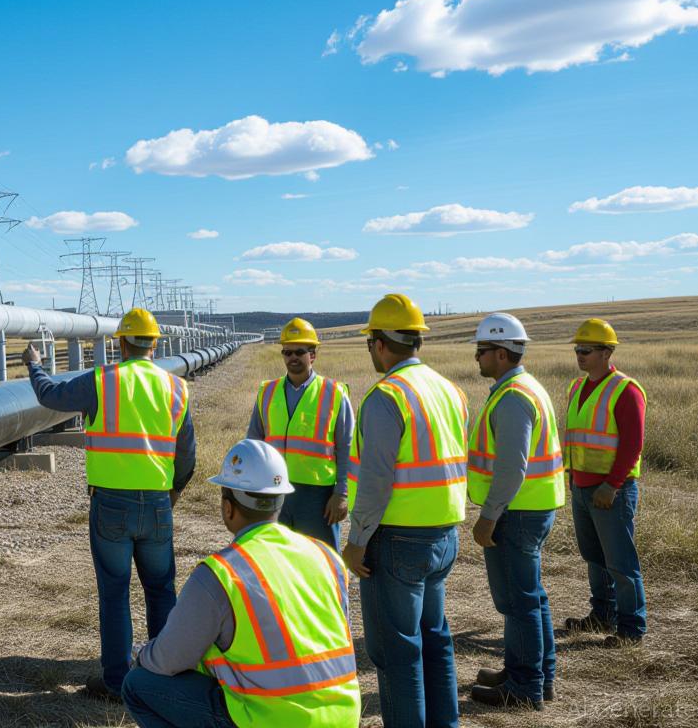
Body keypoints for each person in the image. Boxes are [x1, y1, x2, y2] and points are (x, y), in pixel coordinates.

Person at [121, 438, 361, 728]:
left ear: (227, 508)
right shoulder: (327, 557)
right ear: (281, 499)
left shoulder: (221, 573)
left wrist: (141, 655)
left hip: (274, 720)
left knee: (137, 684)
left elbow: (168, 659)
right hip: (343, 717)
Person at [23, 308, 196, 701]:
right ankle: (163, 676)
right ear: (155, 345)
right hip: (157, 503)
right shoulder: (177, 388)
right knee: (161, 590)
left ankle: (117, 682)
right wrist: (171, 493)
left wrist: (35, 365)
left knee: (115, 593)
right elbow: (187, 456)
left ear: (121, 344)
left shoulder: (101, 381)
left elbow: (50, 396)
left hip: (111, 505)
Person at [340, 293, 467, 728]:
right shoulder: (449, 390)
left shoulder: (386, 396)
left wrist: (357, 541)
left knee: (397, 651)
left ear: (379, 344)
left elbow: (375, 479)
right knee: (435, 639)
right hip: (444, 535)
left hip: (396, 539)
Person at [465, 313, 564, 710]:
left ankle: (525, 686)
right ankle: (536, 675)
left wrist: (488, 516)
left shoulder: (513, 398)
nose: (477, 357)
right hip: (529, 508)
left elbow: (511, 467)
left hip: (516, 513)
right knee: (531, 597)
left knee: (518, 602)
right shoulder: (524, 388)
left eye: (482, 350)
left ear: (502, 353)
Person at [562, 318, 647, 646]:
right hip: (581, 487)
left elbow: (632, 445)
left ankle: (631, 628)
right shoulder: (576, 387)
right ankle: (602, 614)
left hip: (612, 491)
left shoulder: (626, 390)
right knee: (594, 557)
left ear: (607, 352)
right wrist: (572, 476)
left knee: (620, 562)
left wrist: (611, 485)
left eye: (586, 350)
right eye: (577, 349)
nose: (579, 355)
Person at [245, 316, 354, 551]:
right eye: (287, 352)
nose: (292, 357)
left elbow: (347, 448)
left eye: (299, 352)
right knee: (278, 555)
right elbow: (253, 443)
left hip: (317, 496)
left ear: (312, 355)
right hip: (274, 490)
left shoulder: (334, 393)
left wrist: (342, 494)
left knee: (320, 558)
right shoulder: (267, 391)